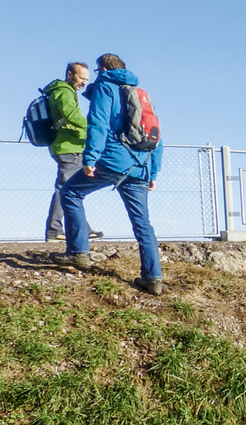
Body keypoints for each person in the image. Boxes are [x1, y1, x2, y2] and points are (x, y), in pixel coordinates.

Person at [55, 54, 165, 295]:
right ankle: (153, 278)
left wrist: (90, 158)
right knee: (143, 224)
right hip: (141, 167)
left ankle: (78, 253)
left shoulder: (105, 87)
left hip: (114, 161)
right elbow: (157, 134)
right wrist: (153, 171)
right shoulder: (141, 93)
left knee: (70, 192)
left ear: (102, 69)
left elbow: (98, 123)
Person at [40, 62, 103, 242]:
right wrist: (92, 126)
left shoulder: (63, 90)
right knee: (66, 189)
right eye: (81, 77)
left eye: (86, 79)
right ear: (70, 74)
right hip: (70, 147)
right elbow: (70, 114)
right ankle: (54, 230)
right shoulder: (64, 91)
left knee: (71, 189)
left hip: (68, 146)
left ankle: (83, 228)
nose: (84, 82)